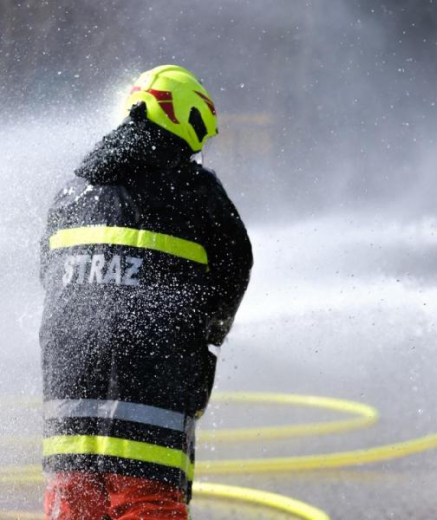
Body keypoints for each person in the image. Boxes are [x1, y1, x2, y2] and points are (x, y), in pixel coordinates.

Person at [39, 65, 253, 518]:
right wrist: (208, 335)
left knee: (75, 506)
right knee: (147, 505)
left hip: (68, 399)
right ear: (185, 119)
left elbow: (50, 276)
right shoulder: (195, 191)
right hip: (150, 395)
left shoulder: (71, 192)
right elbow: (235, 268)